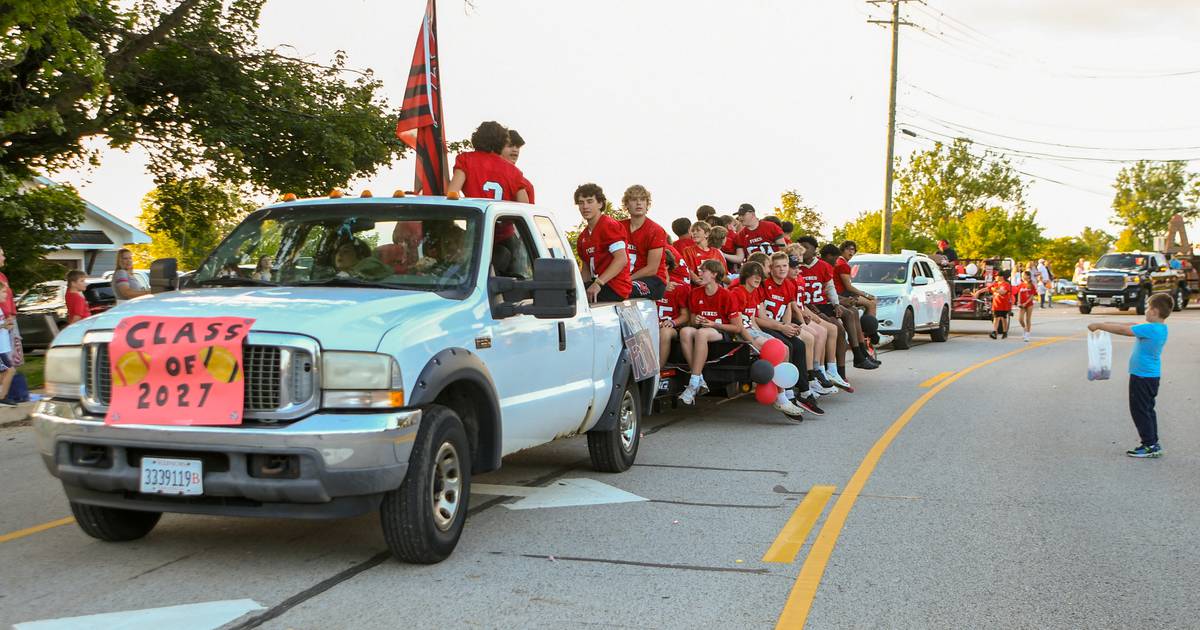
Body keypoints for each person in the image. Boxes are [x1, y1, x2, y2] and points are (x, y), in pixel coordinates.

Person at [1088, 293, 1173, 458]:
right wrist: (1105, 323)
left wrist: (1100, 325)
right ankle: (1152, 442)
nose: (1146, 311)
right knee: (1147, 409)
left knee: (1140, 410)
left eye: (1148, 308)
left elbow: (1125, 330)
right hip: (1150, 377)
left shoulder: (1150, 329)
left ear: (1155, 311)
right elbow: (1132, 324)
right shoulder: (1159, 328)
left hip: (1142, 377)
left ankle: (1149, 445)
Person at [757, 252, 833, 410]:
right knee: (789, 347)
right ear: (770, 269)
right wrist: (782, 327)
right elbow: (760, 315)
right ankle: (788, 392)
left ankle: (804, 390)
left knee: (799, 345)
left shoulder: (789, 284)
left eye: (784, 265)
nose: (782, 269)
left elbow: (787, 308)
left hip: (780, 324)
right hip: (767, 325)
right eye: (777, 266)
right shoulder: (764, 285)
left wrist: (788, 326)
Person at [731, 262, 805, 417]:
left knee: (783, 348)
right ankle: (781, 399)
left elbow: (751, 320)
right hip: (741, 333)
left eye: (760, 276)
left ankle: (783, 395)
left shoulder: (753, 293)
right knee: (772, 348)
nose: (758, 278)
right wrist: (752, 342)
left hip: (751, 330)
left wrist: (764, 336)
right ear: (746, 275)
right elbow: (739, 325)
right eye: (754, 275)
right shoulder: (737, 292)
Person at [800, 236, 878, 371]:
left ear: (814, 249)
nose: (802, 250)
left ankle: (858, 354)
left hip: (823, 302)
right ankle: (837, 366)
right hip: (809, 306)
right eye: (800, 247)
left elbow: (829, 289)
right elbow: (847, 287)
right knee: (839, 329)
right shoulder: (795, 266)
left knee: (850, 312)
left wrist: (837, 304)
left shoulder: (823, 266)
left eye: (805, 247)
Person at [677, 260, 741, 405]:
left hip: (720, 331)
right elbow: (692, 321)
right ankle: (699, 378)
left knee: (702, 334)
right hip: (703, 328)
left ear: (714, 274)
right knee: (685, 331)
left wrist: (713, 324)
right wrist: (698, 320)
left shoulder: (727, 295)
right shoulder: (695, 293)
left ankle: (693, 383)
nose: (699, 273)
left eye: (703, 271)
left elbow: (737, 328)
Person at [574, 183, 631, 302]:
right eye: (581, 202)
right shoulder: (582, 237)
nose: (585, 206)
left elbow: (621, 259)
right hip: (598, 284)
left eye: (590, 201)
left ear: (600, 204)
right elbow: (585, 270)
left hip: (615, 287)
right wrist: (580, 287)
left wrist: (598, 283)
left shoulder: (609, 226)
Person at [447, 121, 529, 202]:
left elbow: (452, 193)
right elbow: (525, 206)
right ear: (503, 142)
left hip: (475, 214)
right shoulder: (515, 172)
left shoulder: (466, 159)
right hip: (501, 215)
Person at [619, 185, 668, 299]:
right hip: (626, 278)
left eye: (642, 199)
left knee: (622, 289)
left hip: (653, 280)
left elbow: (652, 268)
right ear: (626, 204)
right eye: (634, 199)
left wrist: (626, 280)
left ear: (647, 204)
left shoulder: (655, 230)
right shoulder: (619, 227)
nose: (638, 203)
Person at [655, 250, 692, 368]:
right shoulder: (647, 286)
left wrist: (672, 322)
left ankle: (658, 370)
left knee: (664, 332)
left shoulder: (680, 287)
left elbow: (686, 316)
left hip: (672, 327)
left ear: (666, 265)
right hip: (651, 325)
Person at [975, 270, 1012, 339]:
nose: (995, 277)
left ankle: (1005, 332)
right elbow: (987, 288)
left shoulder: (1006, 284)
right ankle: (995, 332)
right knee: (996, 318)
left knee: (1003, 318)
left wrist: (994, 290)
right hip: (996, 304)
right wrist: (979, 291)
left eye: (997, 276)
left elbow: (1003, 292)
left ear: (1001, 277)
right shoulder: (995, 284)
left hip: (1004, 304)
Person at [502, 129, 535, 203]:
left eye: (518, 146)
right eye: (510, 146)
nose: (515, 150)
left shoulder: (527, 185)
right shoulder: (488, 173)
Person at [1014, 270, 1037, 342]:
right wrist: (1019, 302)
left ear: (1028, 276)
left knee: (1028, 319)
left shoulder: (1031, 285)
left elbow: (1032, 296)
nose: (1022, 277)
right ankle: (1024, 328)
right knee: (1020, 319)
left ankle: (1027, 334)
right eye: (1022, 275)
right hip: (1022, 304)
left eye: (1024, 275)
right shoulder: (1021, 284)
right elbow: (1019, 294)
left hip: (1029, 304)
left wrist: (1026, 303)